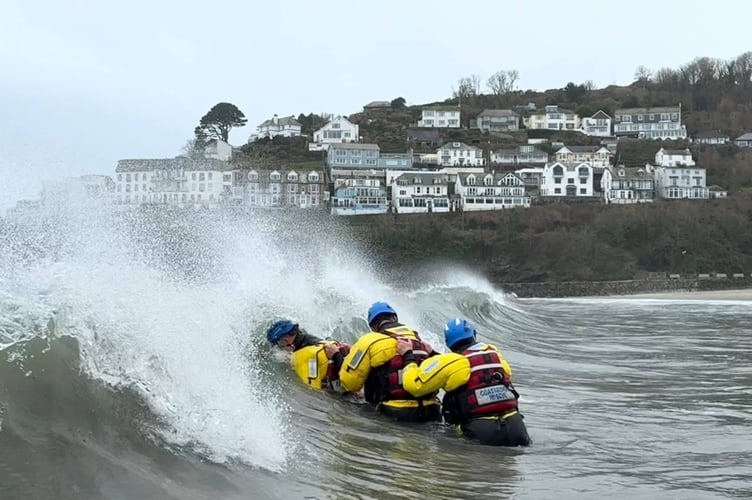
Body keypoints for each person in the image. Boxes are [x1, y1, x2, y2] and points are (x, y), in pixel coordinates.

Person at [397, 318, 531, 446]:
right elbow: (467, 366)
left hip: (481, 433)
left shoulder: (451, 362)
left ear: (449, 342)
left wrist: (408, 355)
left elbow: (413, 385)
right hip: (517, 429)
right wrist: (433, 353)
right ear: (473, 334)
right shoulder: (494, 353)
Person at [337, 301, 442, 422]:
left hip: (394, 413)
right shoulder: (419, 340)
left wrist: (339, 357)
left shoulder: (369, 341)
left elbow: (349, 383)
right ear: (395, 318)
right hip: (431, 411)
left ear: (373, 327)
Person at [266, 319, 351, 395]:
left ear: (285, 341)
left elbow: (314, 391)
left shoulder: (306, 357)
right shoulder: (324, 343)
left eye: (279, 345)